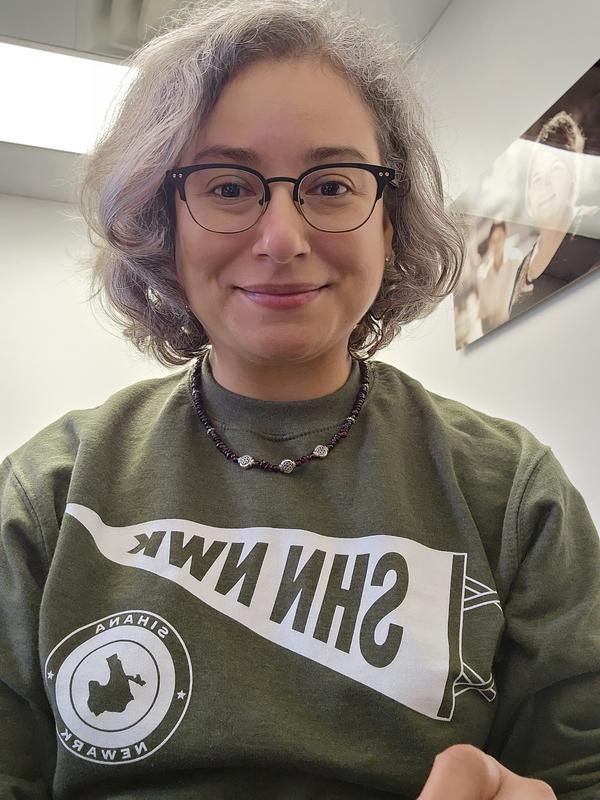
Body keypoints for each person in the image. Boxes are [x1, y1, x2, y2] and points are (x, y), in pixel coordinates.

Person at [1, 1, 598, 798]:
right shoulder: (46, 496)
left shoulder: (514, 494)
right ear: (161, 226)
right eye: (226, 185)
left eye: (330, 184)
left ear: (389, 225)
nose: (282, 236)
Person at [509, 111, 600, 318]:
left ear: (572, 180)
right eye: (536, 178)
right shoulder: (523, 265)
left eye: (555, 171)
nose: (544, 185)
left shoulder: (592, 223)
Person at [476, 221, 521, 333]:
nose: (496, 243)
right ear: (490, 242)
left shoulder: (516, 260)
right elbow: (483, 314)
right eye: (493, 239)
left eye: (499, 238)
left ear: (505, 237)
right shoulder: (483, 274)